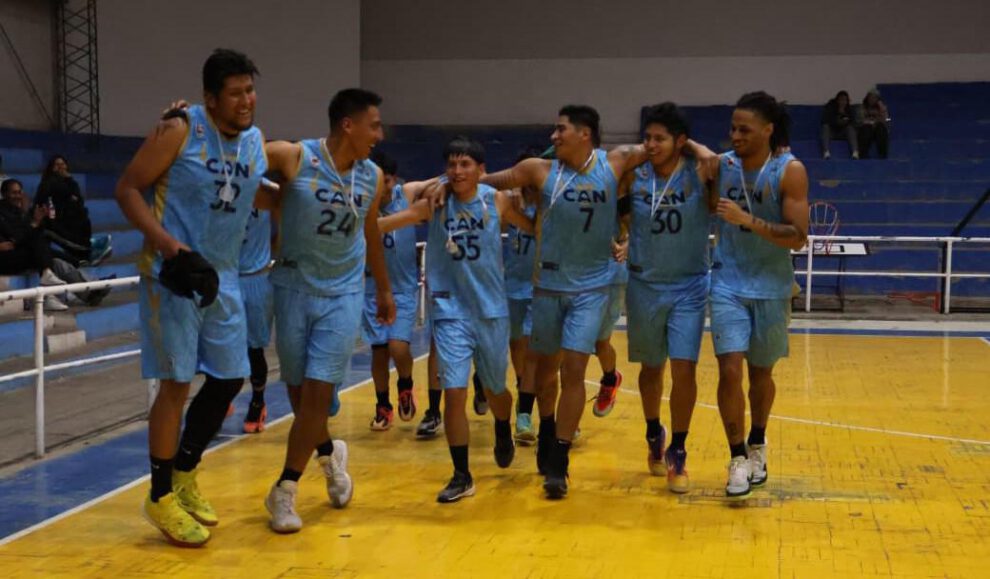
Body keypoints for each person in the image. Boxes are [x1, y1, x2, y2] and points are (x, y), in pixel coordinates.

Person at [475, 105, 716, 499]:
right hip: (549, 284)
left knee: (574, 369)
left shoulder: (617, 161)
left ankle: (560, 461)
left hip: (594, 288)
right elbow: (488, 179)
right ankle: (549, 427)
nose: (554, 136)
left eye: (561, 129)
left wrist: (703, 151)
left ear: (584, 134)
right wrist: (448, 182)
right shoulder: (540, 169)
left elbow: (674, 145)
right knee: (544, 372)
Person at [114, 48, 267, 547]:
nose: (246, 100)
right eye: (235, 92)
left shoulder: (255, 143)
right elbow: (128, 189)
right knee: (176, 385)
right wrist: (170, 247)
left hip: (221, 277)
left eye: (250, 89)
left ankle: (184, 472)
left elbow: (258, 193)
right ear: (209, 98)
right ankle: (159, 496)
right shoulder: (180, 129)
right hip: (173, 275)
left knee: (229, 379)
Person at [259, 88, 395, 533]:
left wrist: (384, 291)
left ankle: (284, 489)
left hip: (343, 294)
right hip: (293, 287)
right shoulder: (295, 157)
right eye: (374, 125)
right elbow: (236, 164)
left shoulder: (372, 176)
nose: (380, 133)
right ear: (348, 125)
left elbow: (370, 232)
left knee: (317, 395)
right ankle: (329, 456)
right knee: (301, 400)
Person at [384, 136, 536, 502]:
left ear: (481, 171)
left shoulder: (496, 201)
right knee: (454, 393)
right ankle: (461, 474)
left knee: (498, 391)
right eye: (451, 164)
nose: (457, 171)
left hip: (491, 311)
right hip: (450, 312)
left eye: (465, 164)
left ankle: (503, 423)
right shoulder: (434, 205)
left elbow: (532, 228)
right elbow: (386, 223)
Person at [711, 91, 809, 498]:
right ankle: (735, 458)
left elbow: (798, 238)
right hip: (727, 282)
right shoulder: (722, 165)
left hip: (771, 285)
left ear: (768, 130)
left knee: (760, 375)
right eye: (732, 128)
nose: (735, 135)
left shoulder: (790, 171)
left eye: (744, 129)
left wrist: (746, 220)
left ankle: (758, 442)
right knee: (729, 368)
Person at [618, 102, 715, 493]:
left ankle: (678, 449)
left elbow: (718, 162)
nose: (651, 144)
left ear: (680, 141)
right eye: (648, 137)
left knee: (684, 369)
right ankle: (652, 432)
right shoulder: (633, 175)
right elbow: (618, 203)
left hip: (690, 285)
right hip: (643, 285)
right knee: (651, 370)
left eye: (660, 138)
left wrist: (699, 149)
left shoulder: (700, 171)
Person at [363, 150, 419, 431]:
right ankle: (382, 404)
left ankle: (406, 385)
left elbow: (433, 182)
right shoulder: (362, 204)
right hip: (372, 290)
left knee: (398, 347)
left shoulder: (405, 195)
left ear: (392, 180)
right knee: (379, 352)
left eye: (382, 181)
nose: (377, 188)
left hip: (404, 289)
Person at [1, 178, 112, 310]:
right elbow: (19, 238)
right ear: (4, 194)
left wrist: (36, 221)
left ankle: (89, 293)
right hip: (6, 258)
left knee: (56, 262)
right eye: (14, 193)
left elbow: (23, 237)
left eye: (19, 192)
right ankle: (77, 269)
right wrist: (33, 224)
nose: (18, 196)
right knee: (40, 241)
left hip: (23, 253)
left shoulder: (19, 212)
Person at [502, 148, 541, 444]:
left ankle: (527, 412)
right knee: (517, 345)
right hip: (511, 284)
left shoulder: (548, 203)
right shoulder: (506, 201)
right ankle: (523, 389)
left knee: (533, 349)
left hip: (541, 287)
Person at [240, 203, 275, 433]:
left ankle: (257, 401)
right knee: (220, 344)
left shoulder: (267, 193)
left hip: (258, 278)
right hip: (227, 277)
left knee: (254, 348)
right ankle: (219, 397)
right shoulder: (223, 188)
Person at [589, 246, 627, 418]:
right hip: (575, 272)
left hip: (611, 273)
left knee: (600, 342)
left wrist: (628, 242)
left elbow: (637, 223)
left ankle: (610, 379)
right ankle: (567, 422)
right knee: (570, 350)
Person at [820, 90, 859, 159]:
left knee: (850, 129)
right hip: (832, 132)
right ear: (837, 100)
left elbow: (853, 122)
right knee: (825, 127)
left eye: (845, 100)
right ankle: (826, 151)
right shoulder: (831, 107)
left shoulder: (849, 109)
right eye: (841, 100)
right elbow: (825, 120)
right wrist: (837, 120)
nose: (843, 102)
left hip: (843, 133)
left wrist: (845, 118)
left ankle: (855, 152)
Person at [858, 89, 890, 159]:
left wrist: (882, 109)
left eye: (874, 98)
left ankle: (882, 154)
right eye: (870, 97)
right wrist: (872, 122)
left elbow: (887, 120)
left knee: (881, 128)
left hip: (878, 130)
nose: (872, 99)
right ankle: (863, 154)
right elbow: (860, 121)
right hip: (867, 129)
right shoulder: (862, 107)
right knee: (866, 129)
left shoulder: (882, 108)